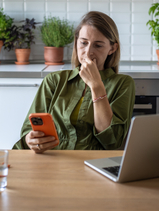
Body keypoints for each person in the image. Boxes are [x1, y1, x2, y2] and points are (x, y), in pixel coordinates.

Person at [13, 11, 135, 153]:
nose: (88, 52)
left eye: (98, 45)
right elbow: (29, 130)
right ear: (76, 42)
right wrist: (31, 139)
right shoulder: (54, 80)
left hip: (93, 164)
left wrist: (96, 86)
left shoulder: (123, 84)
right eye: (83, 43)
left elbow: (112, 141)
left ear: (112, 48)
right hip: (52, 160)